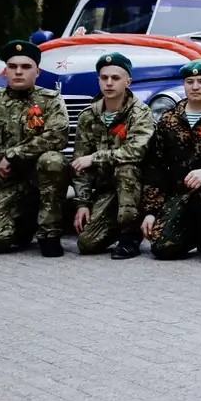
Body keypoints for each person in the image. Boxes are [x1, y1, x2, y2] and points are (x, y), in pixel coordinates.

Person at [0, 39, 69, 255]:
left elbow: (58, 136)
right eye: (12, 67)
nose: (18, 72)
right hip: (5, 187)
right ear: (6, 71)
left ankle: (49, 234)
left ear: (37, 72)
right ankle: (24, 224)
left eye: (25, 67)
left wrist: (13, 155)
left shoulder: (50, 101)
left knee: (53, 160)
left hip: (38, 182)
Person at [47, 52, 156, 259]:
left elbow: (135, 151)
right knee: (86, 244)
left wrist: (95, 158)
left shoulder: (140, 113)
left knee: (126, 167)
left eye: (115, 78)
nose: (109, 83)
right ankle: (116, 219)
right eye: (104, 78)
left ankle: (130, 235)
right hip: (106, 190)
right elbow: (80, 165)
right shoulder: (88, 116)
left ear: (128, 81)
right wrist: (82, 204)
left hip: (136, 186)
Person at [139, 61, 201, 261]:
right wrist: (150, 211)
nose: (195, 87)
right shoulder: (169, 119)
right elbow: (156, 167)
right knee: (163, 249)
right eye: (190, 82)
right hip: (180, 193)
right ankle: (194, 232)